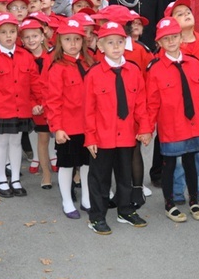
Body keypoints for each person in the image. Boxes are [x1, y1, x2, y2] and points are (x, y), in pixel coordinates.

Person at [84, 22, 152, 234]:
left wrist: (145, 128)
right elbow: (88, 110)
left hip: (127, 135)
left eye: (120, 42)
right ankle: (97, 216)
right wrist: (90, 138)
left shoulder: (133, 71)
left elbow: (141, 103)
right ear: (101, 46)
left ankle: (125, 210)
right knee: (100, 178)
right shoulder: (94, 74)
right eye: (110, 43)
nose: (116, 47)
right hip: (102, 136)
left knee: (125, 175)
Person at [146, 17, 199, 223]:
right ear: (159, 43)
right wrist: (147, 129)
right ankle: (170, 203)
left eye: (174, 37)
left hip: (193, 124)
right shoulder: (155, 69)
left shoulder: (194, 63)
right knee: (169, 165)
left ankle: (193, 199)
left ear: (180, 38)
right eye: (165, 39)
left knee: (190, 162)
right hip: (171, 125)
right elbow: (152, 102)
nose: (171, 42)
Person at [0, 14, 44, 198]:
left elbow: (34, 82)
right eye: (4, 32)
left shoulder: (25, 56)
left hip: (21, 107)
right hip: (0, 109)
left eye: (13, 32)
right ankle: (1, 179)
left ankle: (15, 179)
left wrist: (37, 102)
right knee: (2, 142)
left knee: (16, 143)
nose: (8, 36)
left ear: (18, 33)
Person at [163, 0, 199, 204]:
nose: (186, 14)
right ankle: (178, 189)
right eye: (179, 13)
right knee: (178, 154)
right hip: (177, 112)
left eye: (188, 10)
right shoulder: (168, 48)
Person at [46, 19, 94, 219]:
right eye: (68, 39)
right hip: (67, 126)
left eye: (77, 39)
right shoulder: (57, 67)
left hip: (88, 125)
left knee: (86, 163)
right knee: (66, 164)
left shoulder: (90, 62)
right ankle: (66, 200)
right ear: (60, 42)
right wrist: (57, 127)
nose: (73, 43)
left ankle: (86, 198)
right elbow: (52, 101)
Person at [19, 18, 56, 187]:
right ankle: (46, 174)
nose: (31, 40)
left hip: (54, 104)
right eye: (27, 37)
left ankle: (75, 174)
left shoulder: (53, 56)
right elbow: (23, 86)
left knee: (67, 139)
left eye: (34, 36)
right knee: (42, 139)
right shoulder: (23, 58)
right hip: (38, 107)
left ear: (42, 36)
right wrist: (33, 104)